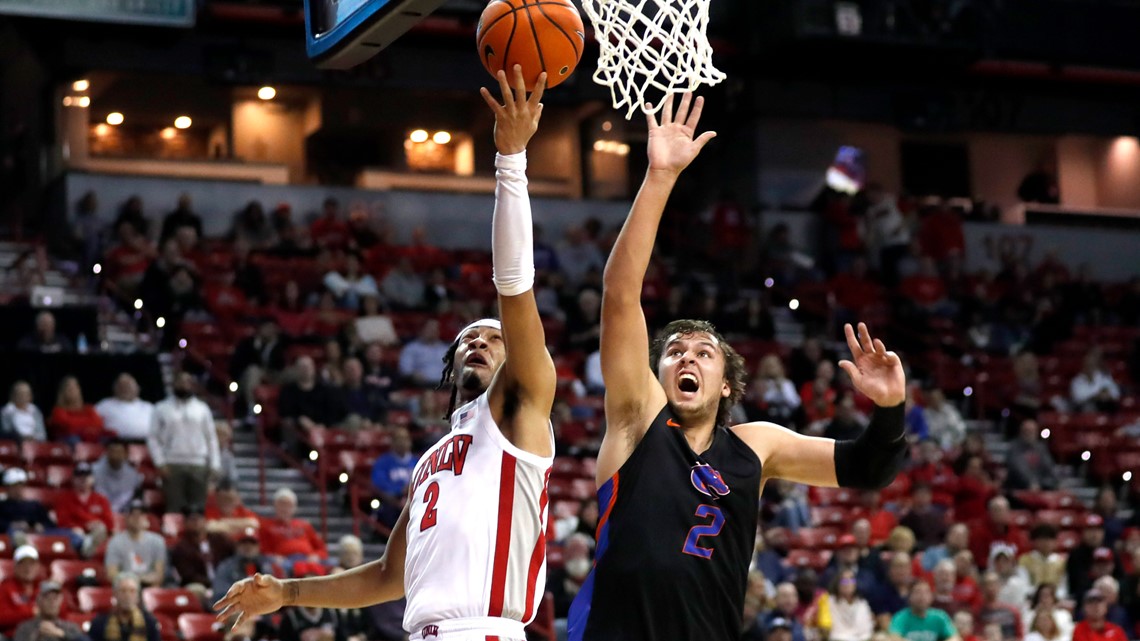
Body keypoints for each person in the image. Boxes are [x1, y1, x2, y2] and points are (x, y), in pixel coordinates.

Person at [214, 67, 558, 641]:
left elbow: (514, 285)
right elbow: (388, 574)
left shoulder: (521, 413)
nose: (479, 341)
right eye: (468, 338)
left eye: (493, 338)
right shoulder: (432, 460)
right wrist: (289, 593)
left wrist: (511, 164)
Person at [566, 94, 908, 641]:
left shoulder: (757, 446)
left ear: (725, 383)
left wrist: (890, 409)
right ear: (656, 375)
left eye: (703, 352)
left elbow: (871, 469)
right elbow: (620, 293)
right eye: (674, 351)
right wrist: (659, 178)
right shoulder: (636, 422)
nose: (685, 356)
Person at [148, 372, 221, 514]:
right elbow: (152, 437)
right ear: (173, 384)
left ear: (192, 385)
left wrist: (214, 464)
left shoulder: (202, 409)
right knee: (174, 508)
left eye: (187, 381)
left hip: (199, 463)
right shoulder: (161, 408)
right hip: (172, 463)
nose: (184, 384)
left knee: (198, 509)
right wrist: (160, 462)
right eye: (180, 381)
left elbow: (211, 437)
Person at [170, 505, 236, 599]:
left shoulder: (220, 540)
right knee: (196, 590)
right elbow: (188, 575)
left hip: (224, 582)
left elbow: (233, 558)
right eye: (192, 520)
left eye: (199, 519)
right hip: (200, 585)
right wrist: (212, 583)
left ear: (205, 521)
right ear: (185, 523)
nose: (196, 522)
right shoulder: (181, 547)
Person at [55, 462, 113, 558]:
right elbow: (62, 521)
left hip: (97, 534)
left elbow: (109, 523)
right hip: (75, 535)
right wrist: (81, 527)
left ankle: (87, 550)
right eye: (79, 476)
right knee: (75, 536)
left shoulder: (101, 499)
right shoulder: (64, 499)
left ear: (92, 479)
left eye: (86, 476)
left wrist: (96, 523)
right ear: (73, 479)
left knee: (101, 529)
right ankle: (85, 552)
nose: (83, 479)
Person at [258, 488, 327, 567]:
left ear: (294, 508)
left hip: (308, 559)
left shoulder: (305, 525)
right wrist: (274, 557)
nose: (285, 508)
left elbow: (322, 549)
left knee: (335, 566)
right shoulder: (266, 525)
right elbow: (262, 550)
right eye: (281, 504)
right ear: (275, 506)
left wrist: (316, 555)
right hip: (285, 561)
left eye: (288, 505)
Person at [104, 500, 167, 587]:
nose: (137, 518)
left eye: (141, 514)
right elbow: (111, 575)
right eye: (133, 514)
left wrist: (137, 579)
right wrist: (133, 581)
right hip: (125, 587)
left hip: (149, 586)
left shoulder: (158, 541)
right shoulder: (115, 542)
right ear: (125, 518)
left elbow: (159, 575)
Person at [88, 574, 161, 641]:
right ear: (115, 594)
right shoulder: (100, 622)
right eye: (123, 591)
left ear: (138, 596)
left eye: (132, 591)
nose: (127, 596)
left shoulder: (149, 622)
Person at [212, 527, 277, 601]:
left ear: (258, 547)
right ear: (237, 546)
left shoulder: (268, 565)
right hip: (236, 607)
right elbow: (220, 592)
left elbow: (277, 590)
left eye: (252, 543)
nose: (248, 547)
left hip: (265, 607)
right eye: (244, 543)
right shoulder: (226, 566)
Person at [370, 427, 417, 527]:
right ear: (392, 442)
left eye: (405, 438)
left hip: (414, 501)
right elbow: (379, 483)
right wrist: (400, 491)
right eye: (398, 439)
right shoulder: (383, 462)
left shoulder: (418, 462)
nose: (402, 442)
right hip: (391, 502)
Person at [12, 580, 88, 641]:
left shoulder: (70, 627)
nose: (52, 602)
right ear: (38, 601)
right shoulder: (25, 628)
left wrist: (61, 634)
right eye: (47, 597)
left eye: (55, 598)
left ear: (60, 601)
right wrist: (37, 636)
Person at [889, 581, 960, 641]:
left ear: (931, 597)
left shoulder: (940, 616)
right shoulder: (901, 617)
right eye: (917, 592)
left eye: (926, 592)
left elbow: (955, 638)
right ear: (909, 597)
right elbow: (894, 638)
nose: (922, 596)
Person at [0, 546, 46, 637]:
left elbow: (60, 612)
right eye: (23, 564)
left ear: (38, 566)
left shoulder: (43, 587)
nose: (28, 568)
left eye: (31, 564)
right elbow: (2, 617)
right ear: (15, 566)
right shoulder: (5, 588)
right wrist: (32, 613)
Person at [95, 374, 154, 442]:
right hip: (116, 446)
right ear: (115, 388)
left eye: (129, 385)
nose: (125, 388)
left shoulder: (149, 407)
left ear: (138, 387)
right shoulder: (104, 405)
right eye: (122, 386)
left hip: (147, 445)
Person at [49, 376, 107, 444]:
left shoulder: (89, 408)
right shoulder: (58, 411)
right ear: (62, 392)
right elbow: (69, 427)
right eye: (68, 387)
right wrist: (87, 425)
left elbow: (98, 424)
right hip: (68, 442)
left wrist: (78, 426)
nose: (72, 389)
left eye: (75, 387)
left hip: (90, 439)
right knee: (73, 440)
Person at [1005, 419, 1058, 491]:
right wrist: (1031, 483)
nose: (1029, 434)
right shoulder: (1014, 448)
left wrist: (1054, 481)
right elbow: (1018, 469)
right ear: (1021, 432)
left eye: (1032, 431)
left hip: (1040, 486)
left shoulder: (1041, 448)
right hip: (1020, 487)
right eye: (1027, 431)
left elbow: (1049, 466)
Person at [823, 569, 875, 641]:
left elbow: (867, 630)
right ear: (837, 583)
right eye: (844, 581)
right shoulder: (829, 601)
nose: (848, 583)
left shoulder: (862, 603)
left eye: (851, 580)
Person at [397, 320, 450, 387]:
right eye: (430, 329)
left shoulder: (446, 349)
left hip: (445, 387)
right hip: (420, 386)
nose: (433, 331)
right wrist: (413, 375)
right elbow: (405, 369)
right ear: (422, 330)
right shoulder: (411, 348)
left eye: (435, 329)